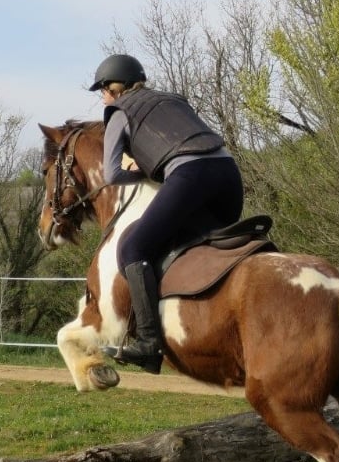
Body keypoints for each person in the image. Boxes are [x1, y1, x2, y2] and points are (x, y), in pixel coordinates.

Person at [89, 54, 244, 374]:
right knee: (199, 242)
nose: (102, 97)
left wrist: (144, 171)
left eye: (102, 90)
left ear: (114, 88)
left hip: (191, 177)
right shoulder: (174, 100)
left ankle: (148, 342)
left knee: (133, 249)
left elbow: (112, 175)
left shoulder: (117, 111)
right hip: (229, 175)